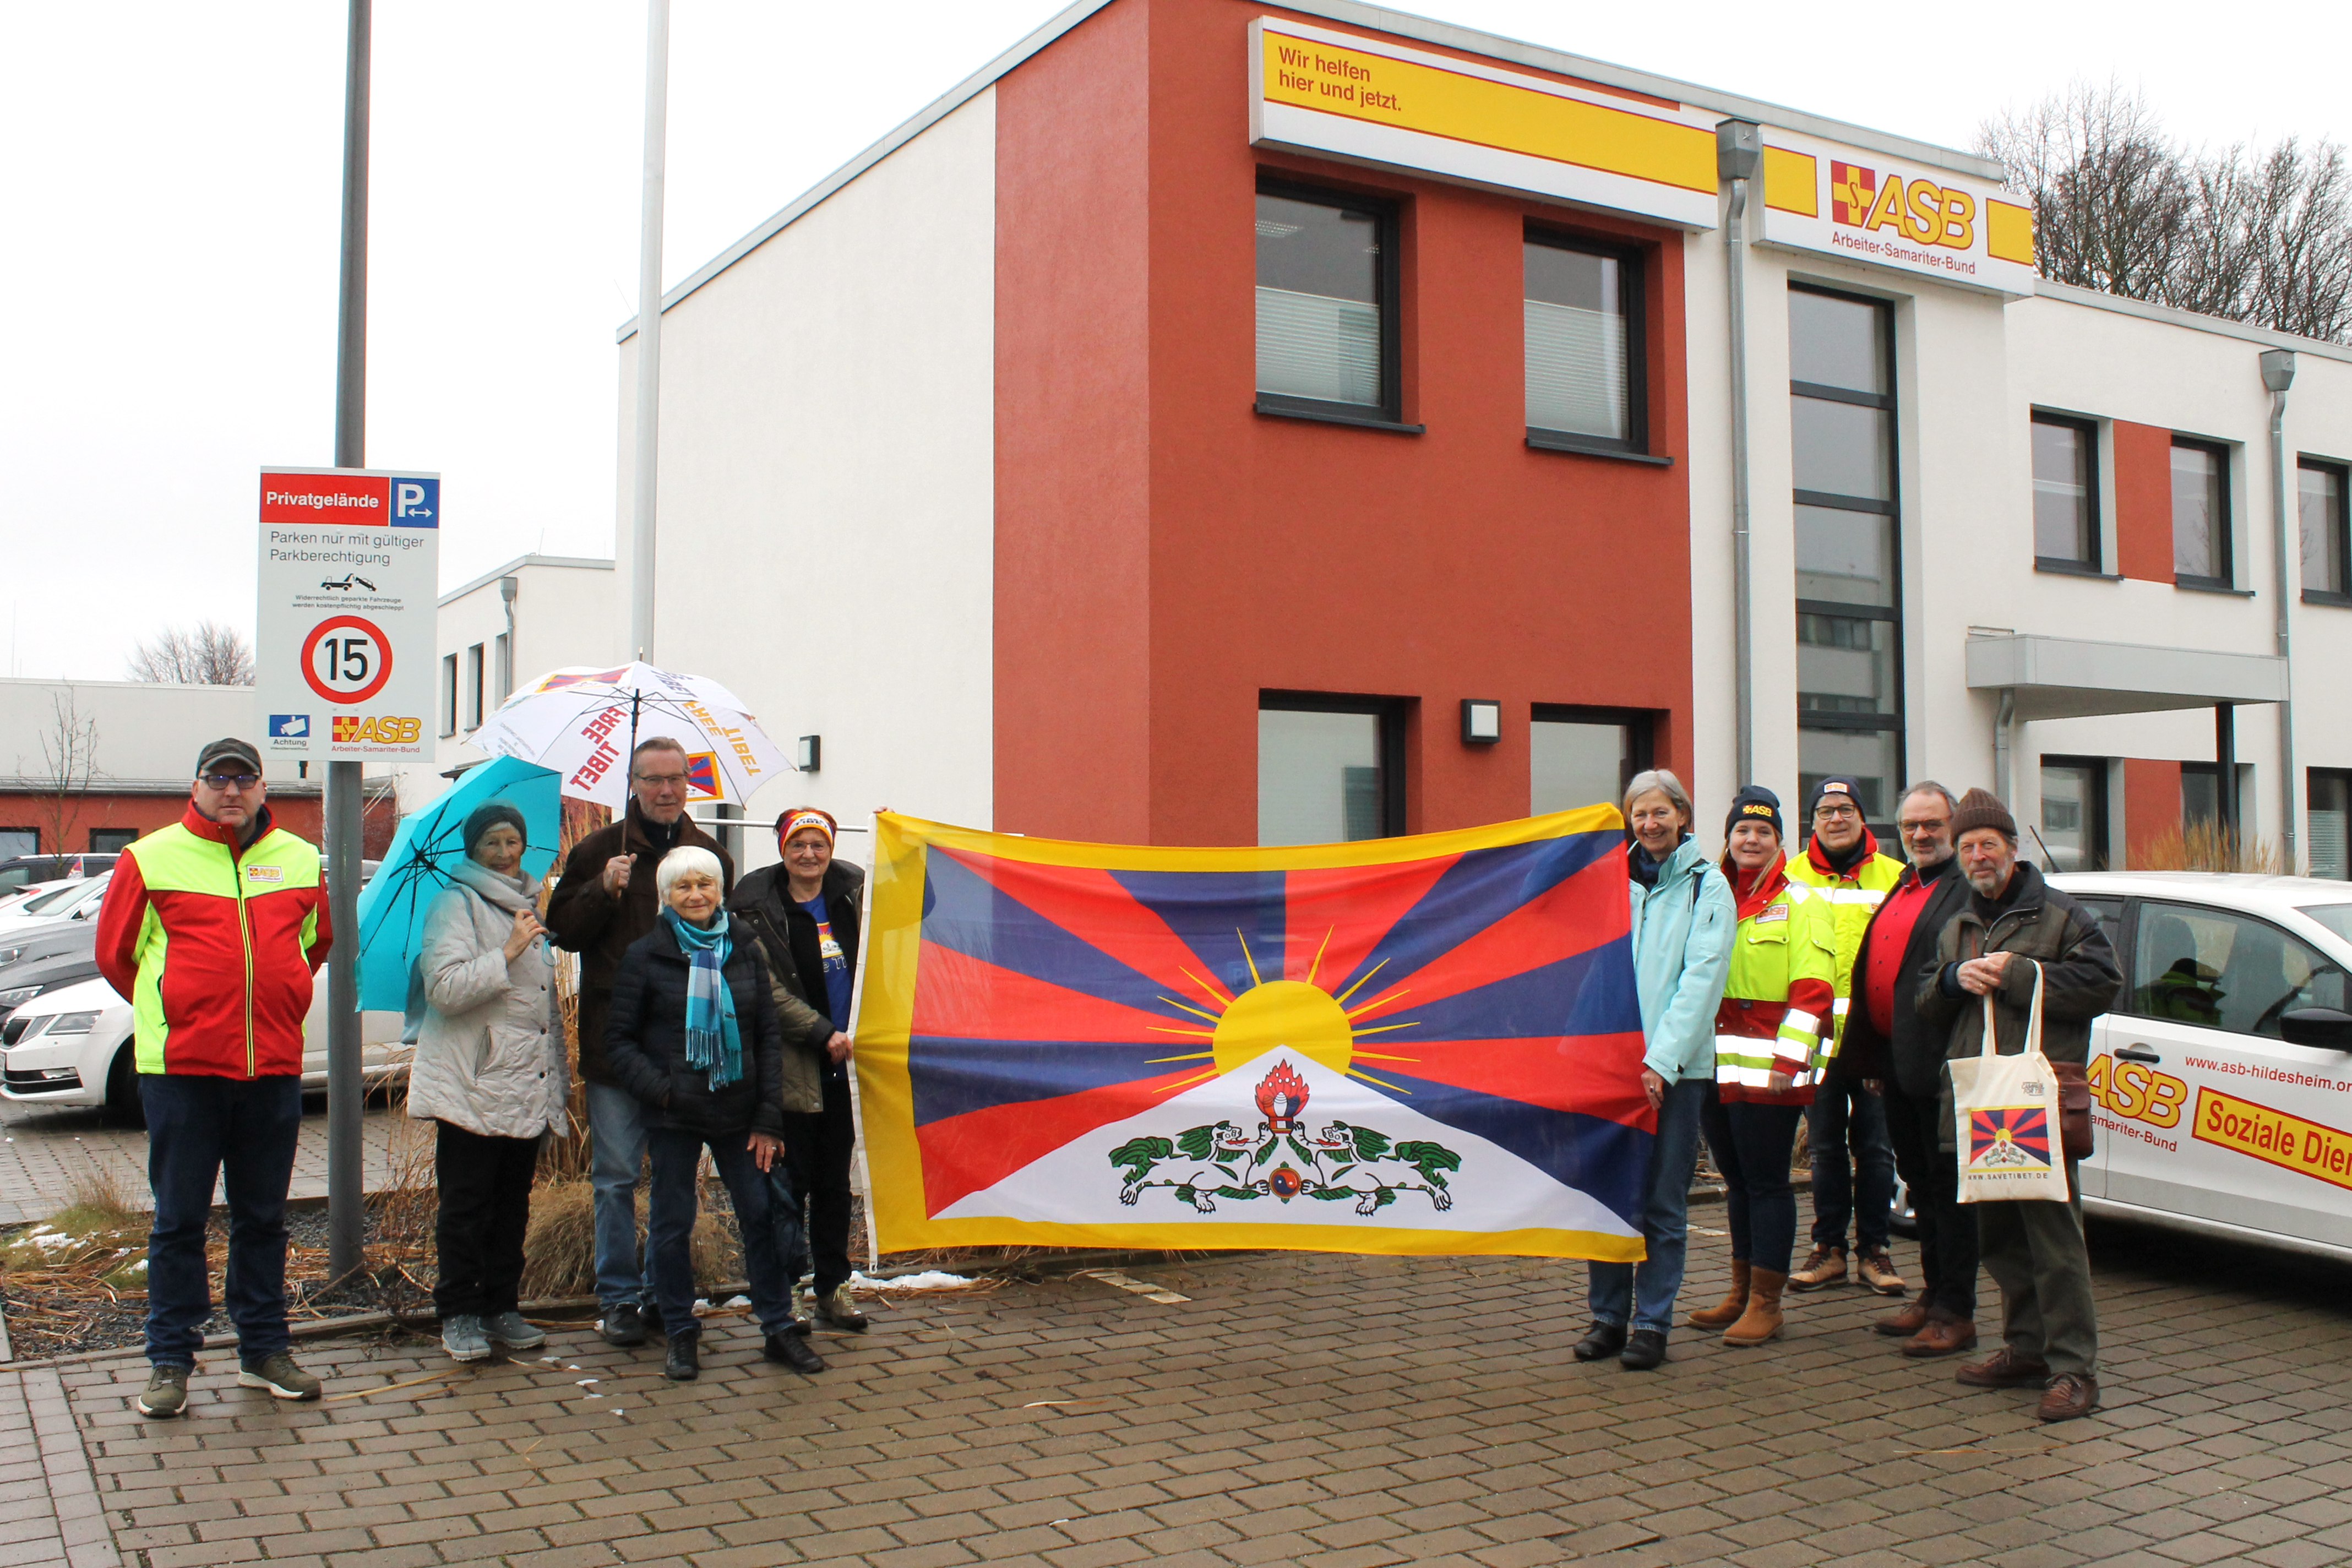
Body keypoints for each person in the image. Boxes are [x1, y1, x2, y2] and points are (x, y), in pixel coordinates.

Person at [93, 739, 332, 1419]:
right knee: (179, 1221)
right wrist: (179, 1006)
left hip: (272, 1068)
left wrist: (275, 998)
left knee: (263, 1217)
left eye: (245, 778)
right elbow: (117, 955)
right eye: (218, 778)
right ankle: (170, 1358)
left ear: (263, 788)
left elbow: (315, 942)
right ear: (196, 786)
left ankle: (263, 1350)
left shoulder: (295, 859)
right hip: (184, 1071)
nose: (232, 790)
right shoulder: (151, 857)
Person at [1915, 789, 2121, 1422]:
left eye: (1989, 845)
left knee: (2054, 1238)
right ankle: (2026, 1349)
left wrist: (2021, 974)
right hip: (1982, 1096)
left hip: (2036, 1096)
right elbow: (1926, 997)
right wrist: (1954, 979)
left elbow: (2103, 982)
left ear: (2013, 849)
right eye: (1969, 847)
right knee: (1998, 1234)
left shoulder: (2061, 915)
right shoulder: (1959, 922)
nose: (1978, 857)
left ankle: (2073, 1369)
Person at [545, 737, 737, 1347]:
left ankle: (665, 1290)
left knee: (676, 1178)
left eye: (676, 779)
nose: (665, 790)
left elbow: (725, 938)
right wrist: (603, 888)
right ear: (632, 782)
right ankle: (619, 1296)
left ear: (689, 783)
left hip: (689, 1048)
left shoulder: (706, 853)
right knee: (616, 1176)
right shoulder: (600, 850)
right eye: (653, 779)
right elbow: (563, 933)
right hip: (615, 1048)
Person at [602, 848, 821, 1379]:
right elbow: (619, 1042)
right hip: (676, 1114)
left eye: (705, 884)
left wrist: (768, 1119)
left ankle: (776, 1326)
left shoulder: (744, 949)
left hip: (742, 1113)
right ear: (666, 896)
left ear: (720, 890)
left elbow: (769, 1038)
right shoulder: (646, 955)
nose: (696, 895)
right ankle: (679, 1329)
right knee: (672, 1225)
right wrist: (667, 1092)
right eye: (684, 887)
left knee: (760, 1217)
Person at [1575, 770, 1734, 1372]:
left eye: (1660, 813)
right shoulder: (1611, 879)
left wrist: (1660, 1062)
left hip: (1677, 1070)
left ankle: (1651, 1322)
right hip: (1610, 1067)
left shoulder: (1707, 888)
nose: (1650, 824)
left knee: (1663, 1201)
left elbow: (1702, 982)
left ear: (1683, 816)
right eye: (1640, 814)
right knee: (1608, 1196)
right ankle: (1608, 1317)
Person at [409, 802, 569, 1364]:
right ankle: (459, 1313)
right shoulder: (456, 904)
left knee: (511, 1204)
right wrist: (507, 952)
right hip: (471, 1084)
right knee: (466, 1205)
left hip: (525, 1082)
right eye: (492, 843)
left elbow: (542, 1011)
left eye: (513, 841)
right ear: (473, 848)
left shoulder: (529, 905)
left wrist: (557, 1086)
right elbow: (445, 990)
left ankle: (503, 1305)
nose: (505, 853)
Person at [1832, 783, 1980, 1357]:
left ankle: (1955, 1309)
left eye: (1932, 823)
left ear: (1954, 825)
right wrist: (1873, 1056)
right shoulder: (1906, 881)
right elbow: (1882, 967)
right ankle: (1932, 1292)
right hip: (1898, 1064)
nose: (1920, 834)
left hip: (1943, 1068)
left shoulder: (1963, 889)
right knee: (1920, 1183)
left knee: (1949, 1189)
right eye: (1911, 825)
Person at [1686, 786, 1837, 1348]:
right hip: (1713, 1066)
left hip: (1770, 1069)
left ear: (1779, 842)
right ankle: (1741, 1288)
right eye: (1742, 831)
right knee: (1736, 1182)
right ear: (1727, 839)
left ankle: (1768, 1304)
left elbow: (1814, 988)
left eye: (1764, 832)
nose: (1751, 840)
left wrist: (1790, 1059)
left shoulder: (1802, 901)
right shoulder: (1706, 896)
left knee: (1769, 1183)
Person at [727, 807, 869, 1331]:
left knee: (835, 1185)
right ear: (782, 848)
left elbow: (916, 914)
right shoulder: (757, 911)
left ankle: (834, 1287)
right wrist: (821, 1032)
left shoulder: (854, 900)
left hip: (847, 1067)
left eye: (818, 844)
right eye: (798, 844)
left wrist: (900, 840)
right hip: (792, 1065)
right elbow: (768, 992)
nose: (809, 854)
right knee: (789, 1187)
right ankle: (786, 1294)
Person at [1785, 776, 1907, 1298]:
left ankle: (1874, 1251)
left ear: (1862, 817)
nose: (1836, 819)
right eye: (1825, 811)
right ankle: (1829, 1248)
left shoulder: (1898, 876)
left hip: (1875, 1037)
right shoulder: (1787, 876)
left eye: (1846, 809)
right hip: (1817, 1036)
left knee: (1877, 1148)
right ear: (1813, 822)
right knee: (1826, 1149)